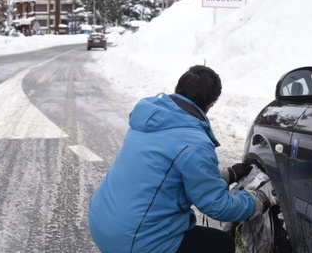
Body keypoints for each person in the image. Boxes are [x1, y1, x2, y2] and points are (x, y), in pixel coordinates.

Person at [88, 65, 277, 253]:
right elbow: (218, 207)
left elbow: (165, 173)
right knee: (221, 244)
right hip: (135, 240)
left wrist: (226, 175)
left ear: (178, 88)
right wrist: (259, 199)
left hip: (103, 221)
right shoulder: (194, 142)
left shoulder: (152, 120)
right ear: (211, 103)